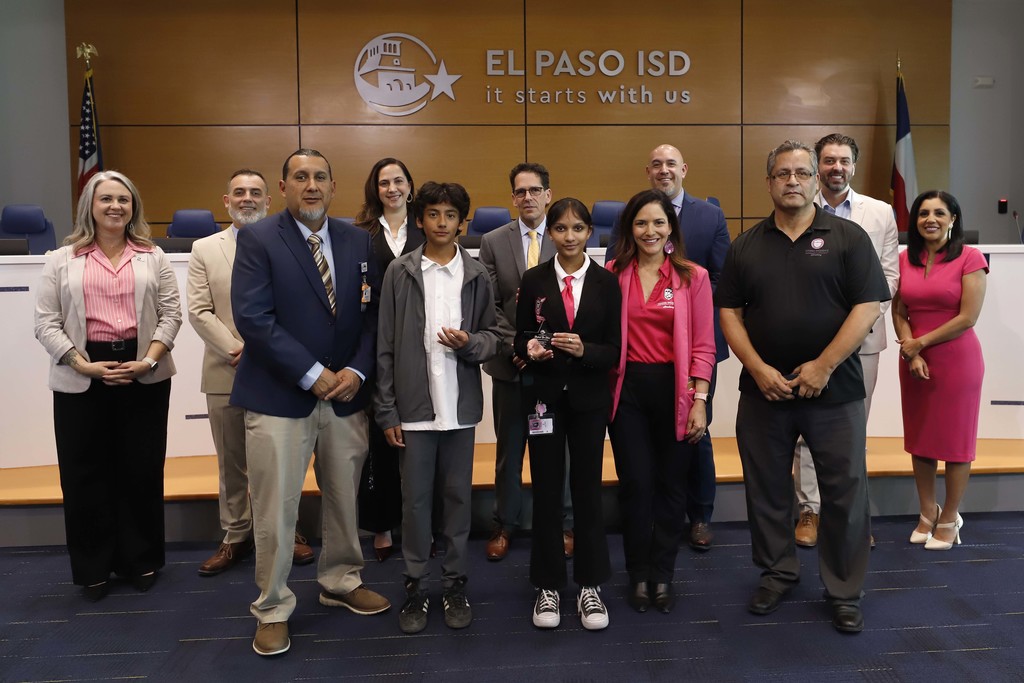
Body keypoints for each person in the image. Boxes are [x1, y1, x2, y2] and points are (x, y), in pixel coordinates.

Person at [715, 140, 889, 634]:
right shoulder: (745, 245)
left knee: (845, 493)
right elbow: (729, 313)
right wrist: (756, 368)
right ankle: (778, 573)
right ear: (769, 182)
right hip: (764, 393)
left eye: (802, 173)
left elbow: (868, 307)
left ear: (816, 181)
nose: (792, 181)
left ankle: (844, 590)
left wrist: (824, 366)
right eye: (782, 174)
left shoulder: (849, 237)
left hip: (835, 390)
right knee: (767, 489)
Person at [231, 149, 390, 657]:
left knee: (344, 498)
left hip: (345, 395)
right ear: (283, 187)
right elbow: (253, 318)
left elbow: (372, 315)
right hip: (279, 396)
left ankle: (341, 581)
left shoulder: (358, 240)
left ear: (334, 186)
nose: (312, 185)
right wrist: (311, 373)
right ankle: (272, 608)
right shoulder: (259, 238)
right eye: (301, 177)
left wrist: (356, 371)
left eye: (321, 176)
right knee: (276, 508)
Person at [34, 170, 181, 601]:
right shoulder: (61, 259)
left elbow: (171, 314)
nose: (115, 206)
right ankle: (92, 567)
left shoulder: (153, 255)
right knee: (83, 473)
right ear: (90, 207)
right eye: (106, 199)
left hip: (144, 371)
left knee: (141, 468)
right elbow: (46, 323)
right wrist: (84, 365)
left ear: (133, 207)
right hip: (82, 373)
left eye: (123, 199)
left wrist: (148, 360)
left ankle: (141, 559)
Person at [375, 181, 500, 634]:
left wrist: (470, 344)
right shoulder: (400, 272)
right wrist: (387, 410)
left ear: (462, 222)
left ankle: (454, 583)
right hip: (413, 410)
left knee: (458, 500)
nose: (442, 223)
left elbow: (494, 336)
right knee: (415, 504)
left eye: (450, 215)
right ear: (419, 219)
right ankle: (415, 585)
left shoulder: (477, 274)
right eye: (433, 214)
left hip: (460, 410)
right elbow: (384, 345)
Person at [187, 169, 314, 576]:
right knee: (232, 462)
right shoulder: (204, 248)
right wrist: (238, 349)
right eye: (239, 192)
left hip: (279, 371)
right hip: (226, 369)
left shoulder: (291, 243)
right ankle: (236, 533)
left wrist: (267, 351)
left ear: (268, 201)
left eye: (255, 192)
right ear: (226, 201)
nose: (247, 198)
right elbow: (199, 311)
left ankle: (286, 530)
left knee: (281, 459)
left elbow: (298, 309)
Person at [608, 144, 730, 551]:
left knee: (697, 435)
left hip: (691, 348)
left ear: (684, 169)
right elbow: (613, 279)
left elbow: (722, 276)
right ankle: (646, 538)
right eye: (657, 164)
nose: (664, 170)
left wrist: (690, 303)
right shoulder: (625, 233)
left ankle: (700, 516)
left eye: (671, 163)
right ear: (648, 170)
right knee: (640, 467)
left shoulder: (709, 216)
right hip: (633, 372)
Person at [606, 189, 716, 614]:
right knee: (636, 485)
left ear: (671, 228)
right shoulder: (613, 272)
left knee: (672, 487)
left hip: (677, 392)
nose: (649, 231)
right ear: (629, 229)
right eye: (640, 223)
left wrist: (700, 399)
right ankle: (638, 573)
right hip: (628, 391)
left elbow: (704, 344)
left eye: (658, 222)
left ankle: (663, 574)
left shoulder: (693, 276)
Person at [515, 198, 621, 631]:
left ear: (590, 232)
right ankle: (548, 585)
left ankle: (590, 584)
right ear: (551, 233)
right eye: (561, 228)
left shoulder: (606, 283)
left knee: (587, 490)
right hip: (543, 399)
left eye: (578, 228)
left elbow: (613, 351)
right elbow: (521, 337)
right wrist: (530, 349)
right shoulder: (534, 278)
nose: (570, 236)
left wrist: (584, 350)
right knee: (545, 491)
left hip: (589, 401)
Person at [793, 134, 900, 547]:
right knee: (806, 429)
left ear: (854, 166)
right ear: (817, 166)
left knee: (852, 430)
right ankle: (810, 510)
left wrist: (855, 325)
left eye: (843, 160)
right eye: (828, 160)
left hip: (863, 342)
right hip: (809, 339)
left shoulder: (881, 212)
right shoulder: (800, 206)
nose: (836, 167)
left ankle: (851, 516)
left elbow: (889, 277)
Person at [479, 163, 574, 561]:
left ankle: (563, 523)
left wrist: (543, 348)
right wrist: (518, 350)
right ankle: (505, 524)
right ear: (513, 198)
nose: (528, 197)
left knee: (556, 450)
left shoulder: (563, 237)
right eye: (521, 191)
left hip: (554, 367)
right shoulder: (492, 241)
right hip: (509, 366)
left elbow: (571, 302)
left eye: (535, 190)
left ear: (548, 195)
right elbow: (489, 306)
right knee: (510, 451)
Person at [893, 190, 987, 551]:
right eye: (922, 213)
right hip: (914, 360)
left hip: (956, 360)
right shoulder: (905, 258)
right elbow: (899, 310)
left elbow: (967, 317)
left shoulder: (970, 257)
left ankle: (950, 517)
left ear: (953, 219)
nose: (930, 219)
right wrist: (910, 350)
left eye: (939, 213)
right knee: (921, 440)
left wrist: (920, 343)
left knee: (956, 443)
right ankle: (926, 513)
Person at [354, 157, 424, 562]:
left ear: (410, 186)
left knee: (420, 442)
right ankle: (381, 524)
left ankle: (421, 525)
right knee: (379, 440)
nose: (392, 188)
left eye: (399, 180)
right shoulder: (361, 233)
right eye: (384, 183)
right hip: (375, 344)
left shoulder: (426, 227)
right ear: (375, 189)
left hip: (421, 345)